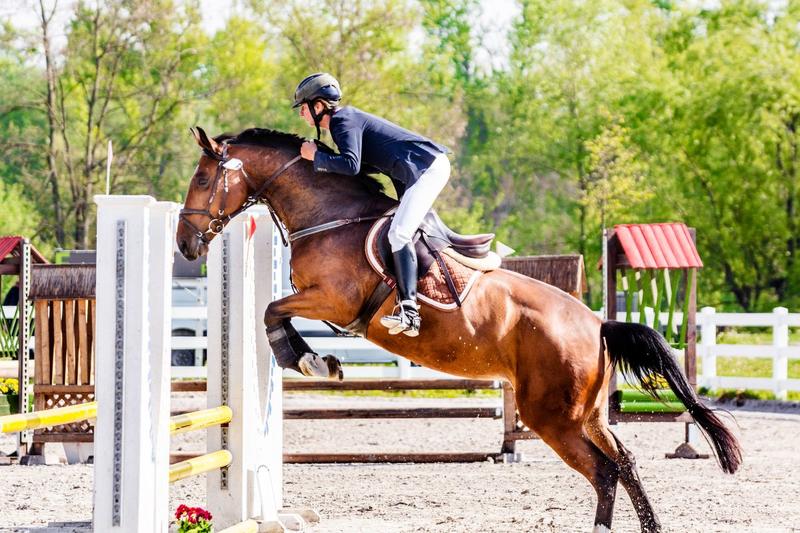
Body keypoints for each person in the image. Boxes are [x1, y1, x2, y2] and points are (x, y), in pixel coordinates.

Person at [293, 72, 450, 337]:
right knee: (398, 229)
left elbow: (352, 166)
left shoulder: (343, 120)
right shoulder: (343, 124)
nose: (301, 115)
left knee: (399, 233)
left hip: (428, 168)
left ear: (318, 106)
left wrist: (316, 156)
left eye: (303, 108)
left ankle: (410, 311)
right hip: (417, 172)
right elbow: (359, 166)